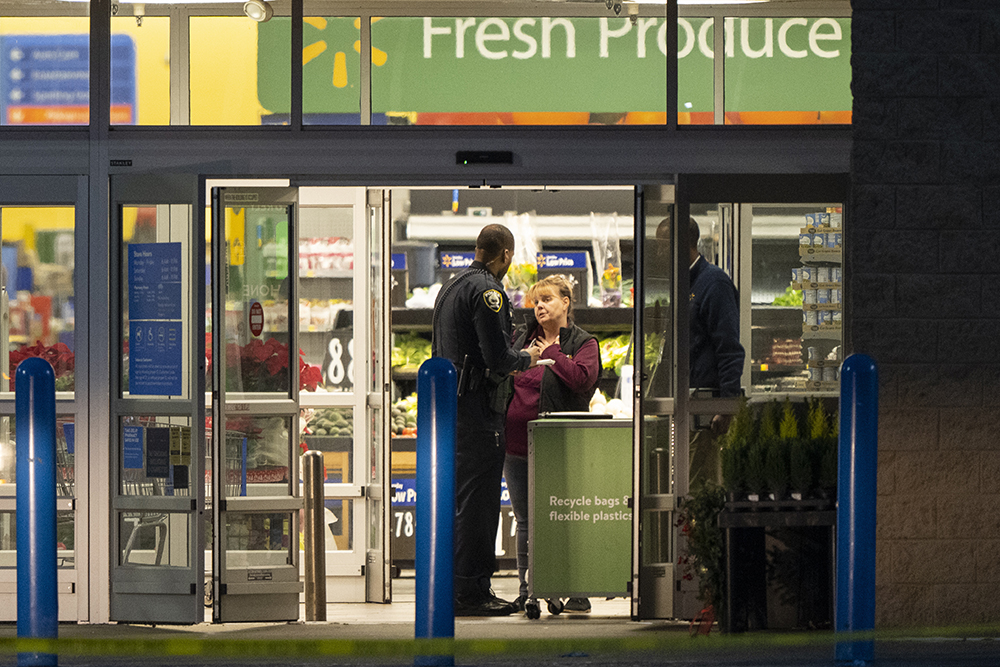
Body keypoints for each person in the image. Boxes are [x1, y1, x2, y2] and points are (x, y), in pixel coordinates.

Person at [431, 223, 542, 616]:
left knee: (461, 503)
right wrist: (530, 357)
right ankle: (472, 591)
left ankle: (459, 586)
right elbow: (498, 359)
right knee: (478, 507)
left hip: (452, 411)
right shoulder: (489, 292)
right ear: (506, 255)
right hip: (480, 413)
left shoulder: (452, 285)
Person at [504, 275, 602, 613]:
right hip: (517, 445)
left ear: (566, 302)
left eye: (546, 299)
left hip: (560, 444)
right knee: (526, 521)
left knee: (563, 516)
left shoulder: (583, 343)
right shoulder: (520, 340)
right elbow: (505, 377)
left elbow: (581, 380)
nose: (540, 306)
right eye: (535, 301)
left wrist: (554, 353)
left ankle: (574, 589)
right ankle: (526, 589)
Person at [686, 218, 745, 484]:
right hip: (686, 406)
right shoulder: (680, 282)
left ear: (683, 242)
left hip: (704, 411)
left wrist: (727, 404)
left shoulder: (713, 283)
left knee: (698, 482)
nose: (659, 252)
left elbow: (729, 347)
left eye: (663, 244)